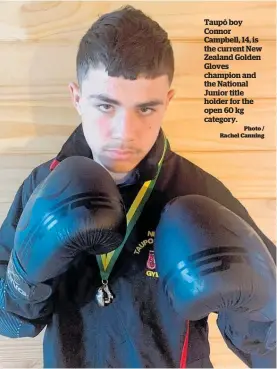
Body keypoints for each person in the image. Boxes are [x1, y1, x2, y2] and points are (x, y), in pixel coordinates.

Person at [0, 5, 276, 368]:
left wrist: (251, 309)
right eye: (105, 106)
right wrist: (24, 274)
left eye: (145, 109)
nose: (124, 133)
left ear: (168, 103)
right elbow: (11, 322)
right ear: (77, 98)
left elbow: (268, 352)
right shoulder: (42, 184)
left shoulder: (198, 192)